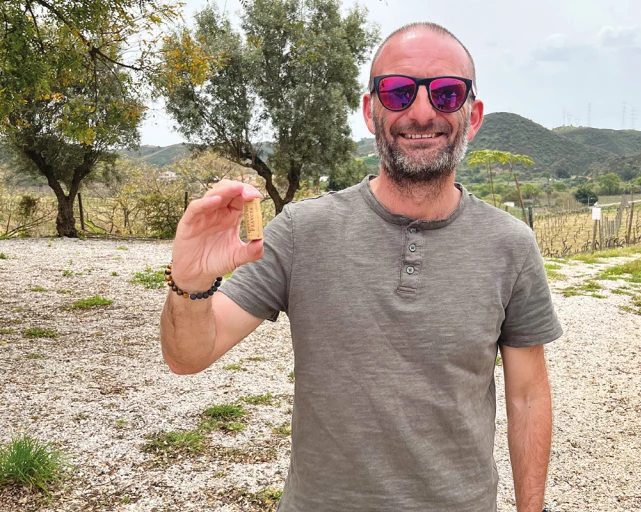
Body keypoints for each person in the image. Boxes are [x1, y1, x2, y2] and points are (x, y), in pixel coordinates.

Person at [160, 22, 562, 512]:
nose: (420, 112)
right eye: (396, 92)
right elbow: (189, 356)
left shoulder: (511, 245)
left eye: (446, 93)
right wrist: (191, 282)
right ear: (371, 111)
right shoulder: (302, 231)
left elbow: (527, 396)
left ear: (472, 115)